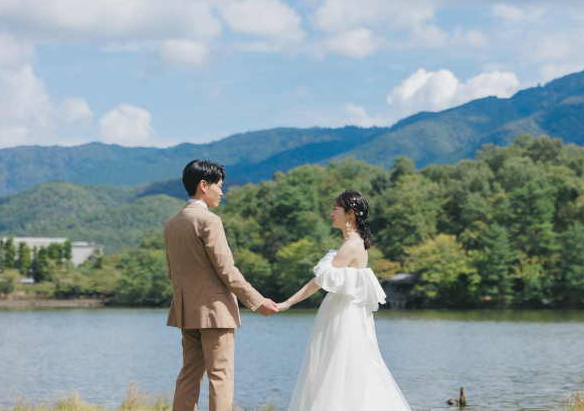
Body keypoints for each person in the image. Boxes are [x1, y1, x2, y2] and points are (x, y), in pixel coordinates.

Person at [277, 190, 412, 411]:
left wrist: (288, 302)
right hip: (345, 313)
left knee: (338, 371)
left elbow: (318, 281)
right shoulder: (354, 243)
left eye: (335, 209)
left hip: (344, 317)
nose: (331, 213)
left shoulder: (351, 246)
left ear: (349, 213)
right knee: (346, 371)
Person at [165, 159, 279, 411]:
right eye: (219, 185)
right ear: (203, 185)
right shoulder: (210, 221)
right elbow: (227, 270)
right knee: (221, 377)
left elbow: (172, 272)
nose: (222, 191)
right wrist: (258, 301)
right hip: (215, 313)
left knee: (189, 376)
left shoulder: (171, 223)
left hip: (187, 312)